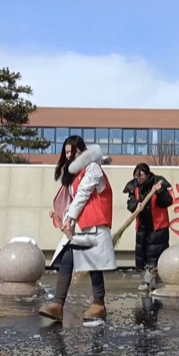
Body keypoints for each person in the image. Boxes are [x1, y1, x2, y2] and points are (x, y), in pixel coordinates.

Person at [39, 135, 117, 322]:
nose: (67, 155)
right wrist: (64, 218)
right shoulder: (79, 173)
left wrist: (69, 218)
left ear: (81, 151)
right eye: (65, 152)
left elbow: (83, 195)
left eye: (71, 151)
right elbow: (75, 200)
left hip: (94, 224)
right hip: (82, 225)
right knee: (69, 259)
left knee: (94, 264)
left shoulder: (93, 169)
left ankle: (98, 304)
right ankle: (59, 304)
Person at [123, 163, 173, 291]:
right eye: (137, 175)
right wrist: (136, 205)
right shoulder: (135, 187)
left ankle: (148, 280)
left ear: (148, 174)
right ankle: (149, 278)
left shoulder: (158, 183)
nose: (139, 178)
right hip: (142, 225)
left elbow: (167, 201)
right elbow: (130, 203)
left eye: (141, 175)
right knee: (143, 252)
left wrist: (160, 191)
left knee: (155, 253)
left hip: (157, 225)